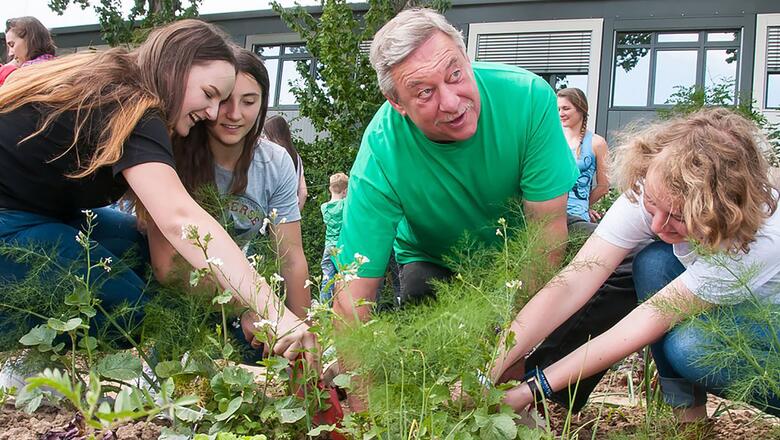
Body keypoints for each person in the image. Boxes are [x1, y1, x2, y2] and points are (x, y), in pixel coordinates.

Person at [332, 8, 636, 410]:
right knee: (430, 319)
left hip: (524, 248)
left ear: (467, 59)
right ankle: (457, 395)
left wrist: (512, 354)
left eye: (455, 74)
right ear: (396, 101)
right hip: (437, 261)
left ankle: (535, 387)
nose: (451, 102)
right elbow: (354, 294)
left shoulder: (526, 98)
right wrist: (363, 410)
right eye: (424, 92)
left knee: (625, 269)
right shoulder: (380, 152)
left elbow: (545, 234)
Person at [0, 20, 315, 366]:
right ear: (176, 68)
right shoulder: (132, 105)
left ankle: (226, 350)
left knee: (143, 253)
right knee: (130, 309)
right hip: (9, 217)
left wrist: (248, 307)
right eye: (209, 94)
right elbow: (181, 219)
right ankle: (23, 363)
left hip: (44, 212)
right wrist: (274, 312)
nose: (213, 113)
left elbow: (172, 258)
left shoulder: (124, 81)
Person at [492, 108, 780, 424]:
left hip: (769, 325)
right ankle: (689, 420)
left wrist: (531, 389)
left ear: (722, 213)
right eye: (653, 206)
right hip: (725, 307)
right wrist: (490, 368)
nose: (657, 225)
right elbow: (575, 281)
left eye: (679, 218)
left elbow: (645, 322)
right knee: (653, 262)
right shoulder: (657, 184)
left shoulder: (761, 237)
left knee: (692, 347)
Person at [153, 47, 311, 320]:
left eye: (249, 101)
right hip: (172, 296)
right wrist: (253, 310)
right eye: (225, 101)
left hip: (235, 291)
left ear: (262, 104)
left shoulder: (276, 162)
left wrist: (304, 334)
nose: (235, 114)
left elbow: (291, 258)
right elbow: (168, 268)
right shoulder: (172, 154)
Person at [557, 87, 609, 230]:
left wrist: (585, 204)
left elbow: (603, 186)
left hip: (577, 217)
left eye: (566, 108)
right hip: (551, 216)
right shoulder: (553, 139)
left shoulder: (597, 143)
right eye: (558, 109)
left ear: (581, 109)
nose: (561, 113)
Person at [264, 115, 308, 212]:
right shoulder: (296, 156)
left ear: (273, 135)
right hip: (289, 211)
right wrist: (294, 214)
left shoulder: (272, 156)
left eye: (266, 134)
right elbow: (303, 192)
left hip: (269, 212)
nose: (264, 138)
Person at [0, 17, 56, 86]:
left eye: (12, 45)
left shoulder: (29, 71)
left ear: (29, 40)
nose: (10, 53)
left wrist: (6, 69)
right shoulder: (53, 64)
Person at [320, 172, 348, 302]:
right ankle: (345, 307)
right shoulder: (344, 205)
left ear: (330, 188)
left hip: (328, 246)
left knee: (327, 278)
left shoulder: (324, 207)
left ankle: (323, 308)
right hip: (341, 246)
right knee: (345, 277)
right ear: (346, 191)